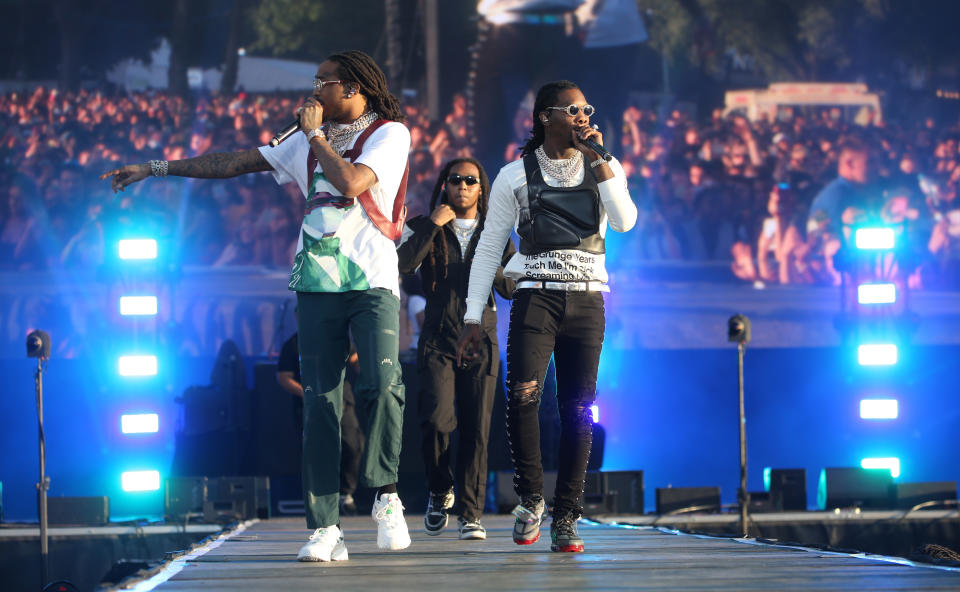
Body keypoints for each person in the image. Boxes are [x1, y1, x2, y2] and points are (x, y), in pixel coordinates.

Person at [102, 50, 412, 562]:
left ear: (353, 88)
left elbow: (353, 183)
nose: (314, 91)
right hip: (316, 280)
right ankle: (325, 527)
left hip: (372, 278)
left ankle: (386, 496)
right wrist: (156, 168)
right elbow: (233, 162)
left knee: (381, 382)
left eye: (324, 82)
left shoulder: (388, 133)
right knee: (319, 403)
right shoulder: (301, 140)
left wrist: (314, 137)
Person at [456, 81, 637, 553]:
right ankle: (532, 497)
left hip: (587, 299)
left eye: (586, 108)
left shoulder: (605, 166)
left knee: (579, 409)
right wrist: (473, 316)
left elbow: (624, 221)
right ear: (544, 117)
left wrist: (599, 160)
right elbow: (490, 247)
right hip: (536, 296)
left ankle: (567, 515)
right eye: (571, 109)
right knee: (523, 396)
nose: (581, 116)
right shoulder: (514, 175)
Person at [397, 158, 516, 540]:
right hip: (437, 337)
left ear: (481, 189)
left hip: (482, 337)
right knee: (435, 420)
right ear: (444, 186)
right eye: (455, 180)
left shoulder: (497, 233)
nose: (463, 186)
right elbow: (403, 265)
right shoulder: (423, 225)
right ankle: (439, 489)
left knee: (477, 430)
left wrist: (491, 260)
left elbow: (512, 289)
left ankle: (471, 514)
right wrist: (433, 223)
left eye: (470, 180)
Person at [277, 327, 364, 515]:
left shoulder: (336, 335)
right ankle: (322, 499)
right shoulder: (293, 344)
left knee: (352, 445)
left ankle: (346, 493)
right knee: (317, 452)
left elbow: (355, 360)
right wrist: (307, 395)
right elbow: (284, 377)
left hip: (341, 400)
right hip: (311, 404)